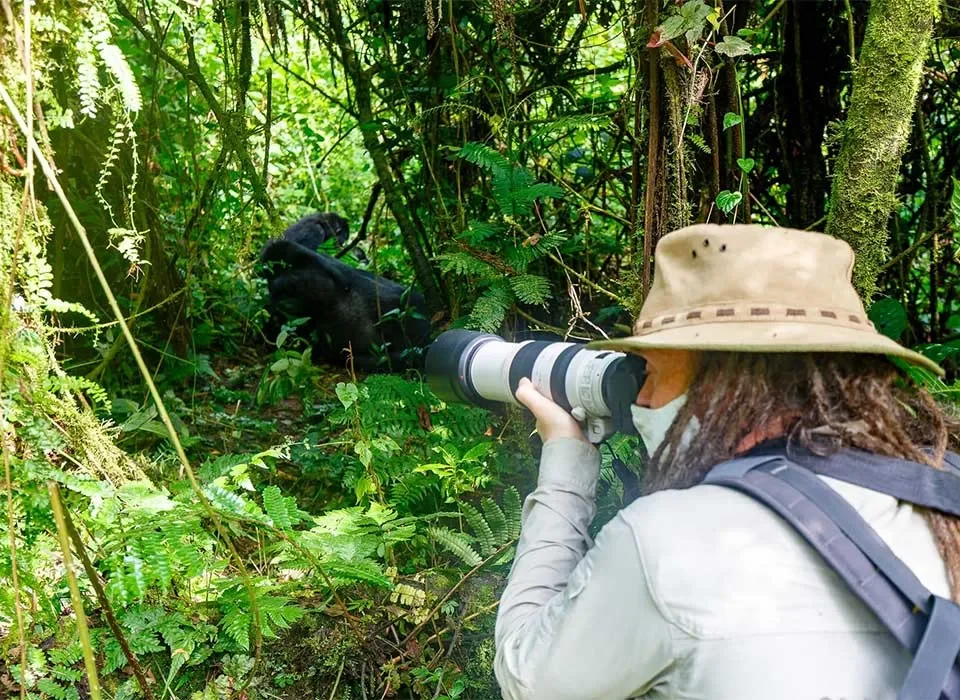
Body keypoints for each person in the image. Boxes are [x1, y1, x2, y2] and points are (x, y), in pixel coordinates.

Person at [494, 224, 960, 700]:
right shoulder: (944, 497)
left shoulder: (666, 539)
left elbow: (528, 678)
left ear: (725, 382)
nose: (641, 397)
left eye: (652, 373)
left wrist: (564, 459)